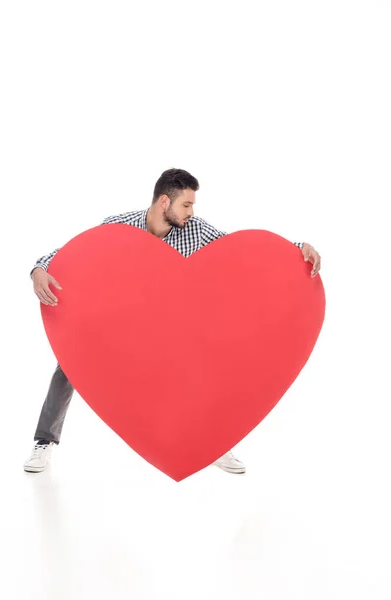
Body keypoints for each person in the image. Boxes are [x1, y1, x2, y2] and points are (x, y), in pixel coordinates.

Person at [24, 168, 321, 475]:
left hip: (168, 323)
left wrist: (296, 250)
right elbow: (72, 255)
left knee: (210, 361)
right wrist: (38, 270)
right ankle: (44, 442)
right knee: (70, 362)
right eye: (186, 205)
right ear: (164, 202)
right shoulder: (118, 227)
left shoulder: (196, 230)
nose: (192, 212)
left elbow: (242, 254)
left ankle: (215, 445)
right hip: (120, 320)